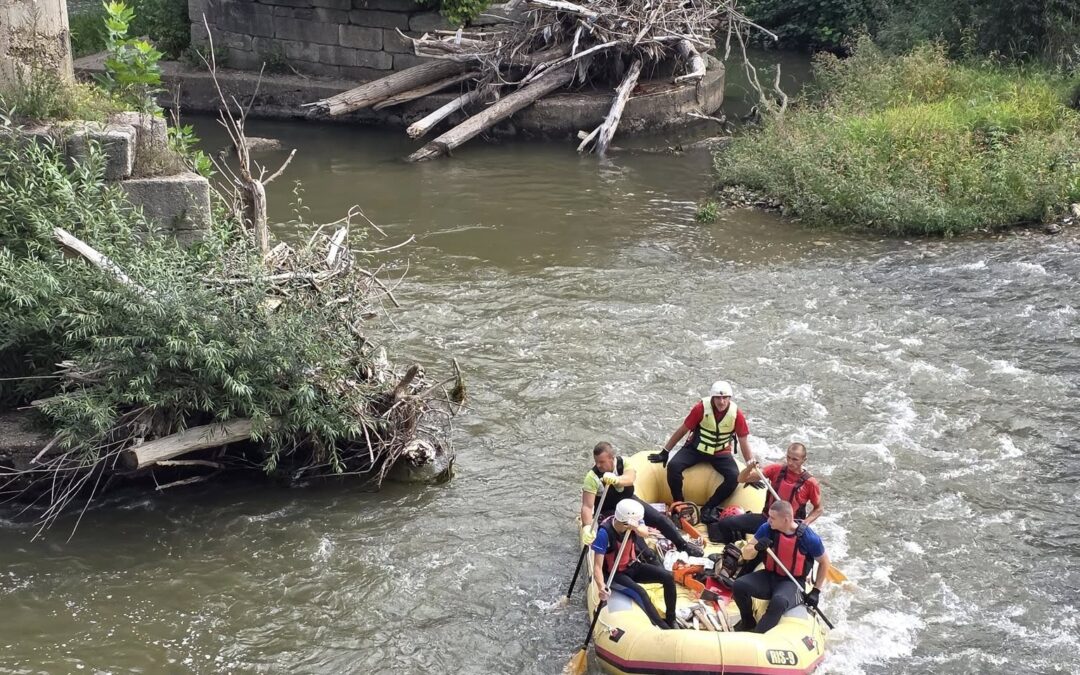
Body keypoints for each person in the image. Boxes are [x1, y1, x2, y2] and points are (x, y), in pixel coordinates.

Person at [581, 442, 704, 556]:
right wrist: (587, 526)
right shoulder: (592, 478)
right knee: (634, 536)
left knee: (660, 519)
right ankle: (648, 557)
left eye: (602, 462)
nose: (598, 465)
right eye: (597, 462)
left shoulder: (624, 463)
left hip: (630, 502)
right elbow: (587, 506)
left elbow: (630, 478)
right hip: (610, 511)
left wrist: (616, 480)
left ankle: (682, 545)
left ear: (611, 458)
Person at [651, 380, 753, 511]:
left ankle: (709, 507)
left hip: (720, 453)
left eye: (725, 398)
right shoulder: (700, 408)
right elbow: (683, 430)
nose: (721, 402)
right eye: (718, 398)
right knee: (673, 466)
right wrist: (665, 451)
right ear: (712, 397)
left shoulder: (737, 415)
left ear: (729, 398)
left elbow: (744, 442)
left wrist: (751, 470)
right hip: (695, 449)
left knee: (734, 477)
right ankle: (679, 503)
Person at [732, 500, 830, 634]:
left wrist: (816, 591)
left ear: (786, 520)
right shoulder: (766, 528)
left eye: (772, 518)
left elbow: (824, 562)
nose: (769, 520)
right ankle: (747, 622)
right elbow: (746, 554)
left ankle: (758, 635)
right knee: (739, 585)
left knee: (779, 602)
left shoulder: (808, 537)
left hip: (792, 581)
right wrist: (756, 547)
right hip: (769, 576)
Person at [706, 442, 823, 544]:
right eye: (788, 458)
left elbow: (818, 509)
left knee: (757, 559)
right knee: (726, 523)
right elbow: (741, 479)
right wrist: (749, 468)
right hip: (767, 520)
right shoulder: (776, 469)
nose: (790, 462)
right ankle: (734, 548)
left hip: (788, 528)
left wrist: (805, 523)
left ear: (804, 460)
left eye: (795, 459)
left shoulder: (810, 483)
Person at [591, 499, 678, 630]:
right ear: (624, 521)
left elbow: (644, 532)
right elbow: (597, 566)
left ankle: (671, 619)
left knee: (668, 577)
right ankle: (664, 628)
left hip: (632, 566)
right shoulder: (604, 533)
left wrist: (635, 527)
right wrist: (601, 586)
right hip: (615, 574)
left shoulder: (634, 522)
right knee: (641, 592)